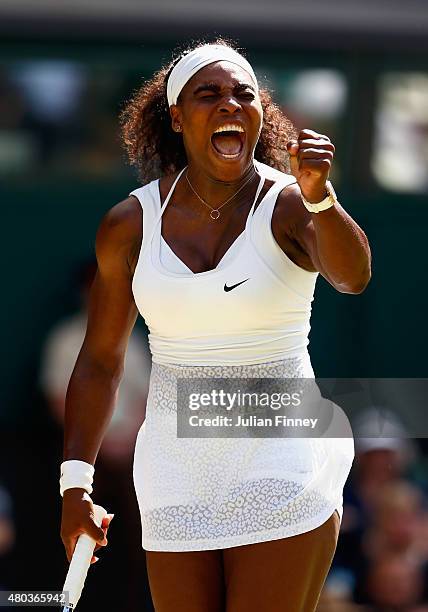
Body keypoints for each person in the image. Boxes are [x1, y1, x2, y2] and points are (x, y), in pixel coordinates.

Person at [60, 38, 371, 612]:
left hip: (283, 454)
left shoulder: (290, 205)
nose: (230, 105)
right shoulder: (128, 224)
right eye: (210, 94)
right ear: (177, 117)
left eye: (244, 95)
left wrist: (322, 199)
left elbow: (353, 278)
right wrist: (75, 483)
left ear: (260, 114)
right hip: (174, 468)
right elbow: (101, 359)